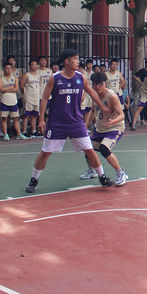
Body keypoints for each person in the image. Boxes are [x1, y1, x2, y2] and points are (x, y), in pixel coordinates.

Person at [25, 49, 117, 194]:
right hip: (57, 123)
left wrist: (102, 107)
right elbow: (44, 98)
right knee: (45, 152)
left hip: (76, 122)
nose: (78, 61)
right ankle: (33, 180)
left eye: (78, 59)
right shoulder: (55, 78)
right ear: (67, 62)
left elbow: (92, 92)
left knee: (89, 150)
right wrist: (41, 119)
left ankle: (102, 178)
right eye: (75, 59)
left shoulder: (81, 77)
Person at [84, 72, 128, 186]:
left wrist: (114, 121)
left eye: (100, 84)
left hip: (115, 128)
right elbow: (92, 111)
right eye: (95, 84)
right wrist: (85, 125)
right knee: (88, 149)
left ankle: (121, 173)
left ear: (105, 84)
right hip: (100, 129)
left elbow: (122, 114)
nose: (97, 86)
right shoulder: (94, 95)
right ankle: (92, 171)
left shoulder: (112, 96)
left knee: (104, 149)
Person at [0, 62, 28, 141]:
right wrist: (11, 87)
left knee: (16, 118)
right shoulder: (1, 79)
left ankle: (19, 134)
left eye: (10, 68)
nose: (8, 70)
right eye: (7, 68)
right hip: (4, 100)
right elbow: (1, 89)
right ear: (4, 69)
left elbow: (16, 89)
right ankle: (5, 134)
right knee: (4, 118)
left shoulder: (15, 78)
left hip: (13, 100)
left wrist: (6, 89)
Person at [20, 59, 41, 137]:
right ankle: (24, 131)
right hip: (28, 97)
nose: (35, 66)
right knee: (26, 115)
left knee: (34, 115)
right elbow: (21, 85)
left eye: (36, 65)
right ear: (29, 66)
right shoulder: (27, 75)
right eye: (33, 65)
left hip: (36, 97)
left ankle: (33, 130)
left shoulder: (38, 75)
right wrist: (25, 93)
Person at [133, 59, 147, 124]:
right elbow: (135, 75)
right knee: (142, 104)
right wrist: (140, 82)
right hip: (143, 89)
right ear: (146, 64)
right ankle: (142, 120)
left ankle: (146, 119)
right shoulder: (142, 71)